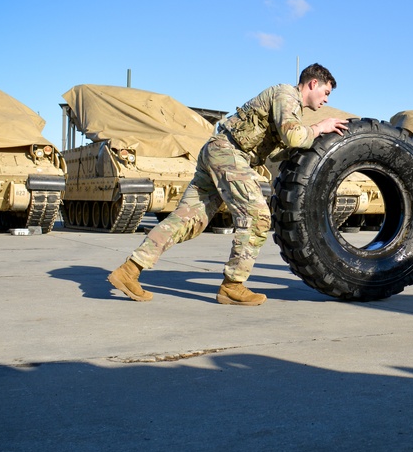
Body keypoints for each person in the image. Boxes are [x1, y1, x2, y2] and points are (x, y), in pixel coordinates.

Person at [108, 63, 349, 306]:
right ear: (313, 83)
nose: (326, 100)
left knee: (188, 220)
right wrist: (319, 128)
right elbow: (294, 136)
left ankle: (129, 271)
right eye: (326, 93)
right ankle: (233, 285)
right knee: (257, 217)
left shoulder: (289, 104)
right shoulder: (287, 96)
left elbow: (279, 151)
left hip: (218, 151)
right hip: (228, 152)